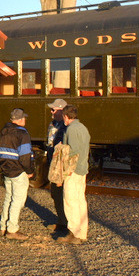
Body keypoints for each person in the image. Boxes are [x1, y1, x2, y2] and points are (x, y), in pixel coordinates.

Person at [0, 108, 35, 240]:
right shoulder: (22, 134)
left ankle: (3, 226)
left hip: (6, 170)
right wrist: (29, 171)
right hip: (18, 171)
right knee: (17, 201)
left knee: (8, 198)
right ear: (21, 119)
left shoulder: (3, 131)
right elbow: (25, 156)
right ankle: (12, 229)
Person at [56, 104, 91, 245]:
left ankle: (74, 232)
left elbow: (73, 151)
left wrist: (66, 170)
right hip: (83, 169)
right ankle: (82, 232)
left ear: (66, 116)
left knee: (70, 201)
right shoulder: (83, 128)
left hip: (73, 170)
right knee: (80, 200)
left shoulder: (71, 129)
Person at [46, 98, 69, 236]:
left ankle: (66, 223)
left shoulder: (65, 127)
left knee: (62, 195)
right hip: (52, 164)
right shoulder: (53, 124)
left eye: (53, 109)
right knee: (55, 194)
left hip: (60, 166)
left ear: (61, 111)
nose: (51, 112)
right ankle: (61, 220)